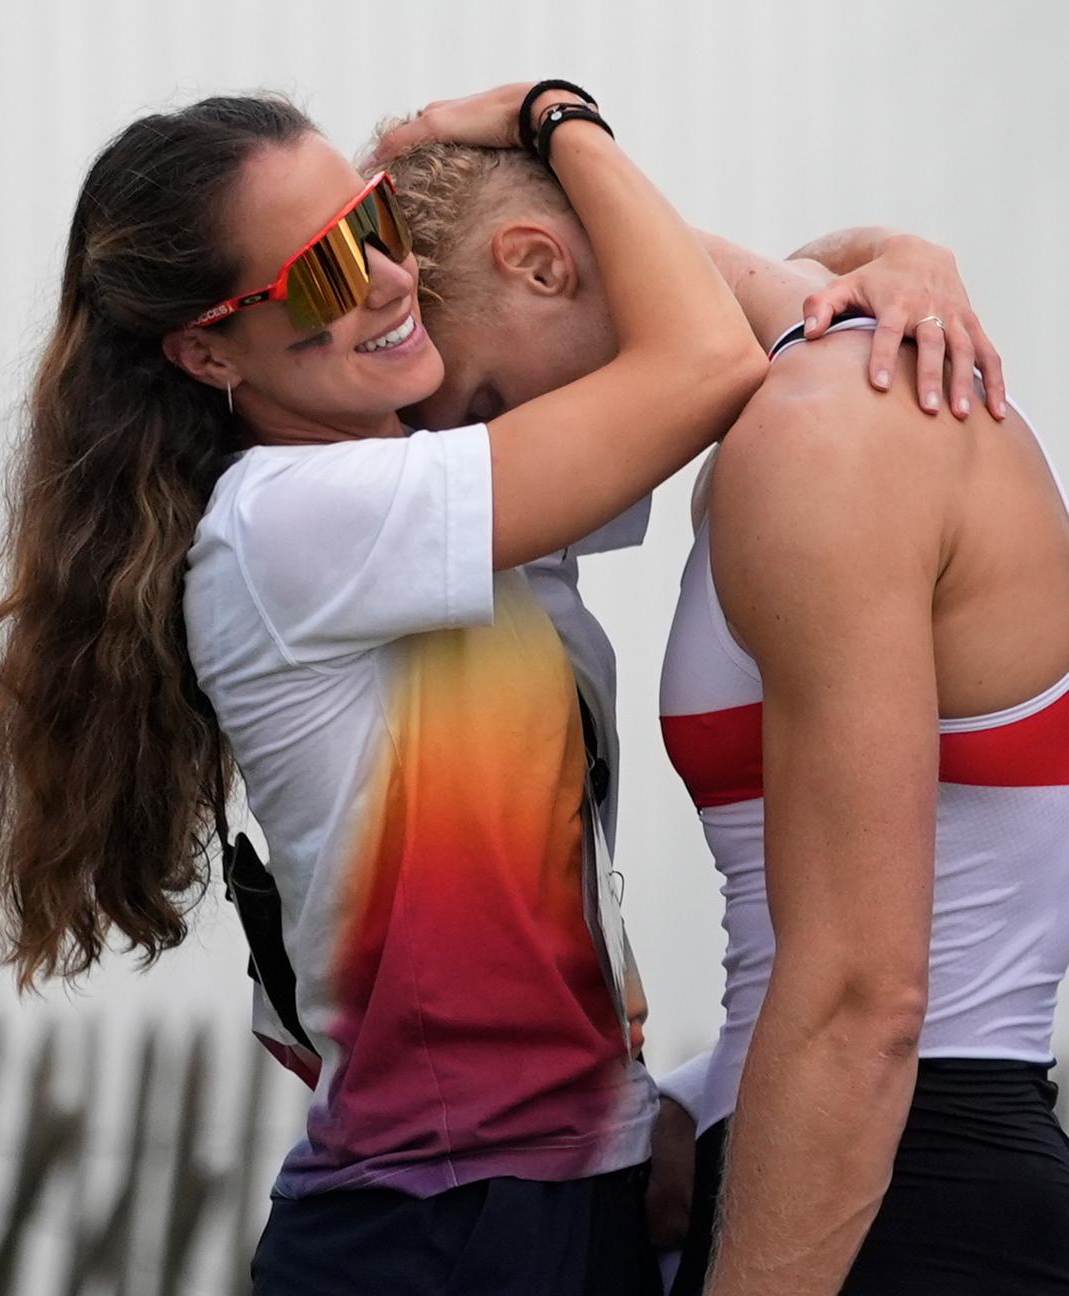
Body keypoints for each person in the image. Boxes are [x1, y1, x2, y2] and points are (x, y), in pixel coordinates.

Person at [0, 81, 770, 1296]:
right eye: (325, 272)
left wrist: (894, 262)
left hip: (544, 1193)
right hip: (436, 1230)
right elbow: (707, 357)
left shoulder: (444, 483)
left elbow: (720, 317)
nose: (391, 278)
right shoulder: (292, 525)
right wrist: (554, 119)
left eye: (376, 223)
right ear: (206, 350)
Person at [375, 110, 1069, 1294]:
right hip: (824, 1166)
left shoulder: (828, 438)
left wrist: (545, 113)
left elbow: (864, 999)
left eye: (485, 402)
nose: (506, 449)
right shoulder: (794, 401)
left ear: (541, 264)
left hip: (897, 1190)